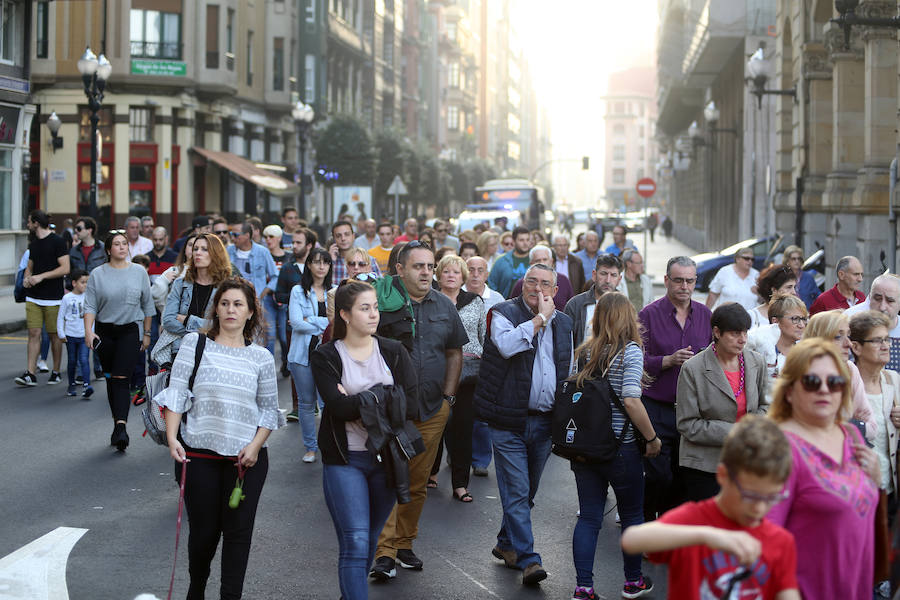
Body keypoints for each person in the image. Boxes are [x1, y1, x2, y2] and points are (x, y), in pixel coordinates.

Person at [163, 279, 284, 600]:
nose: (231, 310)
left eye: (238, 304)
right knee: (203, 534)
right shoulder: (194, 344)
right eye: (225, 303)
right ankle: (197, 589)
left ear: (250, 313)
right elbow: (177, 392)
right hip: (197, 455)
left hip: (246, 460)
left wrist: (256, 447)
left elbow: (269, 411)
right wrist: (173, 437)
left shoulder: (260, 357)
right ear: (216, 309)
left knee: (238, 534)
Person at [311, 279, 418, 600]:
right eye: (364, 308)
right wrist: (383, 396)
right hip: (346, 460)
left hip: (388, 460)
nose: (374, 314)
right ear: (345, 314)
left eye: (375, 307)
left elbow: (411, 404)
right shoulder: (326, 356)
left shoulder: (394, 352)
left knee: (369, 540)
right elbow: (339, 409)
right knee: (355, 540)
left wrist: (361, 398)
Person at [621, 415, 801, 600]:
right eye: (750, 495)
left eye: (772, 497)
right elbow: (631, 540)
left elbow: (787, 591)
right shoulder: (695, 519)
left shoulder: (781, 541)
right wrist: (705, 535)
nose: (759, 508)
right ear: (723, 475)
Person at [370, 241, 467, 581]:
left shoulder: (444, 305)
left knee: (416, 482)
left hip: (431, 409)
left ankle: (403, 544)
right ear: (400, 269)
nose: (426, 272)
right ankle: (383, 553)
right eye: (418, 266)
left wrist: (448, 399)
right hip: (388, 411)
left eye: (430, 266)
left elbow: (455, 352)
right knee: (388, 479)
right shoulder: (379, 303)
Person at [473, 263, 573, 585]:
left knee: (526, 492)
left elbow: (566, 369)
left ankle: (505, 543)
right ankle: (529, 560)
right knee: (517, 491)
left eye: (546, 284)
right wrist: (540, 319)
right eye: (532, 281)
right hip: (508, 421)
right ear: (522, 284)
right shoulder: (503, 312)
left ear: (555, 291)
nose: (538, 288)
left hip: (544, 423)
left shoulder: (566, 323)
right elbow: (506, 346)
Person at [766, 338, 880, 600]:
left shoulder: (850, 434)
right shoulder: (778, 449)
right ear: (789, 391)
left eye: (835, 382)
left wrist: (875, 480)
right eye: (812, 382)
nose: (825, 390)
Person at [567, 292, 660, 600]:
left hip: (586, 447)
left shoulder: (585, 352)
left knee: (589, 516)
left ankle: (583, 587)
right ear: (627, 317)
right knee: (632, 515)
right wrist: (651, 438)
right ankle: (633, 582)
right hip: (621, 447)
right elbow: (632, 399)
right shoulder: (630, 352)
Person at [639, 256, 713, 521]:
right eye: (678, 280)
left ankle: (668, 528)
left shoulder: (705, 315)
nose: (684, 286)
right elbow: (636, 360)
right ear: (667, 280)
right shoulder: (648, 314)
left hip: (692, 410)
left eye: (690, 281)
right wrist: (667, 361)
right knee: (659, 474)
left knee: (684, 474)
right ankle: (648, 520)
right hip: (657, 407)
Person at [676, 303, 769, 501]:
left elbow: (766, 406)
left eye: (745, 332)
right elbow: (687, 424)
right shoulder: (693, 368)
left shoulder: (756, 362)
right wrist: (735, 432)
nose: (743, 339)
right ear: (717, 332)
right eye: (735, 333)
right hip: (705, 465)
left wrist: (752, 429)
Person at [83, 231, 154, 450]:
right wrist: (88, 331)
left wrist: (147, 333)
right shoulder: (98, 274)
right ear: (108, 249)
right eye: (117, 244)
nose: (122, 247)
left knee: (122, 378)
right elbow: (90, 305)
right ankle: (117, 424)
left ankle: (122, 428)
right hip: (104, 332)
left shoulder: (139, 272)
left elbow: (147, 305)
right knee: (112, 380)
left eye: (125, 244)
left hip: (130, 331)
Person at [428, 255, 485, 503]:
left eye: (456, 272)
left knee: (462, 428)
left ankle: (460, 484)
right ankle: (430, 473)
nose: (451, 275)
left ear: (463, 277)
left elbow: (484, 336)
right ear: (438, 275)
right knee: (435, 424)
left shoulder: (475, 301)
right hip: (437, 369)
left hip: (470, 372)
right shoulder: (429, 301)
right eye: (446, 271)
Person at [803, 310, 878, 441]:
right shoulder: (801, 373)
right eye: (838, 337)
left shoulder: (850, 369)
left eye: (848, 335)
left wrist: (842, 425)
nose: (848, 344)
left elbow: (872, 428)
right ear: (818, 339)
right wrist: (852, 425)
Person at [288, 247, 333, 464]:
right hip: (302, 356)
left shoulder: (334, 291)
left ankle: (328, 446)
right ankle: (310, 448)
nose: (321, 266)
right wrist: (323, 324)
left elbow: (338, 325)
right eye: (316, 262)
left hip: (327, 357)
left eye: (325, 262)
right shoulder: (298, 291)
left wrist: (311, 321)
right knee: (307, 403)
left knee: (327, 404)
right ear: (309, 265)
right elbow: (296, 322)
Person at [850, 311, 900, 500]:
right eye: (877, 340)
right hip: (856, 492)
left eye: (887, 339)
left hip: (889, 489)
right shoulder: (845, 384)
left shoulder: (894, 380)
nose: (885, 346)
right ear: (856, 347)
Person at [16, 210, 70, 387]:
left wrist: (41, 277)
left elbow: (65, 268)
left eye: (30, 222)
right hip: (33, 297)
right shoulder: (34, 243)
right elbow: (30, 266)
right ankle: (30, 373)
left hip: (53, 297)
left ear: (36, 223)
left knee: (54, 335)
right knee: (33, 333)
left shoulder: (58, 241)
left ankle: (55, 372)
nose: (28, 225)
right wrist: (27, 277)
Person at [463, 256, 504, 477]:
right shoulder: (454, 294)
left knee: (481, 414)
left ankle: (480, 459)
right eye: (471, 269)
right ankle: (458, 452)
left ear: (487, 274)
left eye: (480, 270)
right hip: (458, 363)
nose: (475, 274)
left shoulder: (496, 299)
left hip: (486, 364)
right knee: (456, 413)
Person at [162, 234, 232, 358]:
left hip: (213, 352)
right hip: (181, 350)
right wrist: (203, 330)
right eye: (195, 249)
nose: (197, 253)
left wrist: (188, 320)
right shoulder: (180, 284)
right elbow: (168, 321)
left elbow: (223, 326)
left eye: (204, 249)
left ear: (216, 253)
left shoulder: (226, 287)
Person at [565, 253, 624, 349]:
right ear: (594, 275)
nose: (608, 280)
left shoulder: (625, 307)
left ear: (619, 279)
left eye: (613, 275)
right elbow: (565, 343)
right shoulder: (575, 305)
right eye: (603, 274)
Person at [845, 274, 900, 372]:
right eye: (877, 299)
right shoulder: (849, 324)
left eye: (890, 301)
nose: (882, 307)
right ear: (869, 298)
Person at [747, 294, 808, 380]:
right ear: (775, 321)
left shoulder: (806, 353)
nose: (801, 325)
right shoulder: (758, 351)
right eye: (795, 319)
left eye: (804, 319)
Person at [57, 269, 94, 398]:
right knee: (72, 360)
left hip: (84, 334)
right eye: (82, 282)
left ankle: (86, 385)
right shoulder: (67, 298)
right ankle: (71, 384)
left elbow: (92, 316)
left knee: (84, 359)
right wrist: (61, 333)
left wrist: (91, 332)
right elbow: (61, 317)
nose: (85, 285)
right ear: (74, 283)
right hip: (71, 335)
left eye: (87, 282)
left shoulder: (89, 297)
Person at [509, 245, 575, 311]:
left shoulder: (564, 280)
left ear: (551, 261)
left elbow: (571, 306)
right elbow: (513, 307)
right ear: (531, 263)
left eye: (545, 259)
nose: (542, 263)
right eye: (538, 260)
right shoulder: (522, 283)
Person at [227, 222, 278, 305]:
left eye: (236, 235)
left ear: (247, 235)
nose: (232, 238)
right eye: (231, 234)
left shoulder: (262, 252)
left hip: (257, 303)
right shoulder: (228, 251)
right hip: (233, 302)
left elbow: (275, 276)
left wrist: (262, 295)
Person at [261, 224, 290, 369]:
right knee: (270, 335)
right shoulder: (263, 255)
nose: (268, 240)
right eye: (266, 237)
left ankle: (286, 360)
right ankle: (269, 368)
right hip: (268, 299)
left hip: (285, 300)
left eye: (271, 236)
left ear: (279, 238)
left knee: (284, 337)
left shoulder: (288, 257)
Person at [706, 247, 760, 314]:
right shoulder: (724, 271)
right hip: (725, 318)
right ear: (737, 259)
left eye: (752, 259)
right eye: (746, 258)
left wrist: (759, 292)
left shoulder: (757, 275)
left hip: (748, 321)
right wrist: (706, 314)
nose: (750, 261)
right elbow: (713, 294)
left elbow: (762, 301)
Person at [488, 226, 532, 299]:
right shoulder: (502, 261)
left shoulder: (536, 259)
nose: (525, 243)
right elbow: (492, 284)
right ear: (514, 241)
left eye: (527, 240)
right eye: (521, 240)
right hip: (507, 304)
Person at [782, 245, 819, 309]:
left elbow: (818, 297)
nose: (797, 261)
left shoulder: (808, 278)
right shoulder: (782, 278)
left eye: (799, 258)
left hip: (806, 315)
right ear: (787, 261)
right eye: (793, 259)